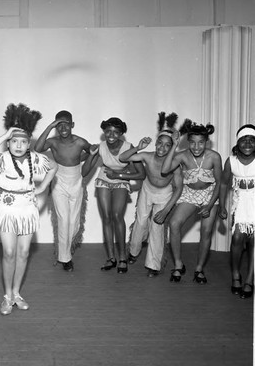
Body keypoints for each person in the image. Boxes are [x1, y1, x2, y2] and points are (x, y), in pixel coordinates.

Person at [0, 103, 57, 315]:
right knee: (9, 252)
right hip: (6, 211)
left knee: (23, 253)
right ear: (9, 142)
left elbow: (54, 167)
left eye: (23, 141)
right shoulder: (2, 159)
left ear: (29, 143)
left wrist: (42, 187)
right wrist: (5, 135)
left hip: (27, 211)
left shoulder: (35, 159)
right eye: (14, 141)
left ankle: (16, 294)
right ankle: (6, 296)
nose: (19, 145)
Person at [119, 112, 183, 277]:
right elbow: (123, 158)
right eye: (159, 143)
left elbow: (179, 189)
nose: (162, 148)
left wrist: (166, 210)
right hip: (147, 190)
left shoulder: (175, 165)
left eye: (167, 145)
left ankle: (153, 265)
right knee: (140, 222)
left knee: (157, 228)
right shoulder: (147, 156)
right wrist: (138, 147)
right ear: (155, 144)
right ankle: (133, 251)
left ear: (172, 147)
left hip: (165, 195)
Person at [161, 119, 222, 284]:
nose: (196, 147)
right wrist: (174, 145)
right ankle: (178, 265)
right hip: (190, 193)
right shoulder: (182, 155)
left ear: (206, 142)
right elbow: (165, 170)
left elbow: (220, 184)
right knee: (174, 224)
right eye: (193, 143)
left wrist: (210, 205)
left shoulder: (214, 157)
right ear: (187, 142)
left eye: (201, 143)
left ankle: (199, 268)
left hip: (210, 194)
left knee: (206, 230)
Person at [82, 117, 145, 274]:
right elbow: (84, 172)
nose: (111, 135)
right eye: (108, 131)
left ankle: (122, 257)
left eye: (116, 132)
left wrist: (118, 175)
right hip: (103, 180)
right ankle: (111, 257)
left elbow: (141, 174)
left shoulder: (128, 148)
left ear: (121, 133)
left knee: (117, 216)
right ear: (104, 132)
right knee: (107, 218)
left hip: (120, 181)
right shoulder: (100, 147)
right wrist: (91, 154)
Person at [34, 110, 92, 272]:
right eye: (59, 125)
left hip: (76, 181)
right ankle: (65, 258)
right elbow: (38, 148)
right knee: (63, 220)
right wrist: (49, 126)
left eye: (66, 124)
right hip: (59, 181)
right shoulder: (53, 142)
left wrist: (81, 160)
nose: (63, 127)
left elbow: (91, 151)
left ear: (72, 125)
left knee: (74, 223)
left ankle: (67, 247)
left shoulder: (80, 142)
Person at [219, 124, 255, 298]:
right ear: (238, 142)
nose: (247, 143)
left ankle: (249, 280)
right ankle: (235, 275)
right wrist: (221, 205)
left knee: (254, 240)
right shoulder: (231, 161)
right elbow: (224, 183)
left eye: (252, 140)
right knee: (238, 238)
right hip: (240, 202)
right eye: (244, 140)